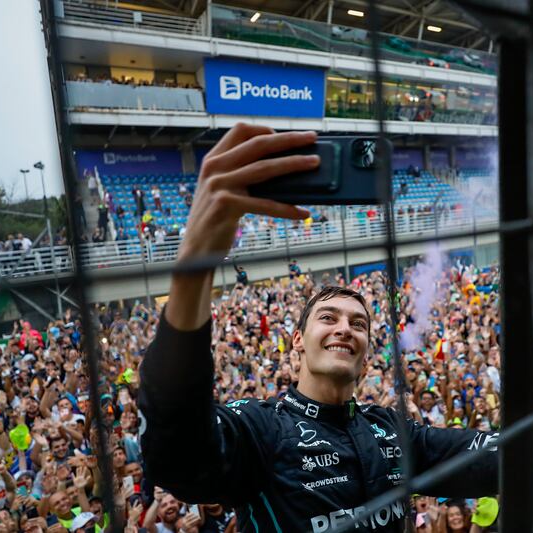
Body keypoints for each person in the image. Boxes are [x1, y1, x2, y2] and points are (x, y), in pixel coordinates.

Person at [139, 125, 502, 533]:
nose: (345, 328)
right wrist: (195, 262)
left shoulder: (392, 431)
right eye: (328, 318)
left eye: (359, 323)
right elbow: (176, 456)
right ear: (297, 342)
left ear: (366, 356)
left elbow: (502, 456)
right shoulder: (262, 429)